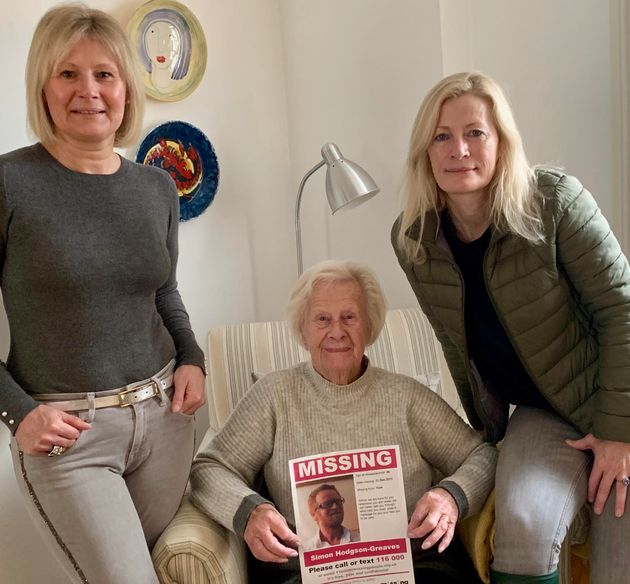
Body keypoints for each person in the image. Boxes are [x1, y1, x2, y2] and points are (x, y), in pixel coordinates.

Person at [391, 71, 630, 584]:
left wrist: (617, 432)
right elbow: (455, 344)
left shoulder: (556, 200)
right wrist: (486, 433)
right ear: (425, 153)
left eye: (475, 132)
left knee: (618, 555)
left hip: (618, 402)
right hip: (543, 412)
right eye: (441, 136)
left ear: (501, 142)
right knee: (521, 526)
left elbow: (622, 310)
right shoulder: (414, 240)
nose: (459, 149)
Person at [0, 5, 206, 583]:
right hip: (70, 439)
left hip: (166, 420)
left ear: (125, 89)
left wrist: (192, 357)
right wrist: (17, 413)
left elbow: (164, 291)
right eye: (68, 74)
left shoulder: (157, 187)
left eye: (104, 74)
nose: (88, 91)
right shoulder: (10, 183)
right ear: (43, 85)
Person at [191, 260, 497, 584]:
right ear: (303, 328)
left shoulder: (406, 397)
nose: (336, 331)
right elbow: (209, 469)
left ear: (368, 325)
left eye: (349, 317)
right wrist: (249, 512)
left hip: (413, 569)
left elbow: (483, 455)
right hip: (309, 575)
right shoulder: (274, 395)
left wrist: (451, 496)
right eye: (322, 319)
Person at [303, 483, 360, 550]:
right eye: (327, 504)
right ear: (314, 515)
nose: (335, 507)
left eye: (338, 501)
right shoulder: (307, 549)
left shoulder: (360, 539)